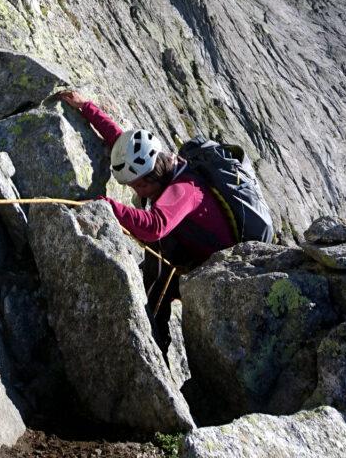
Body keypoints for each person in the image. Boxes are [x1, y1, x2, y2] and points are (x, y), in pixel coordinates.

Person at [56, 89, 237, 351]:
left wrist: (107, 206)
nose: (135, 192)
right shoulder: (158, 164)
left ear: (153, 176)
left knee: (157, 256)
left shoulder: (184, 189)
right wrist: (86, 107)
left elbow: (154, 227)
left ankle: (153, 338)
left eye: (138, 186)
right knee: (156, 259)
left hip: (214, 266)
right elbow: (122, 143)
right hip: (192, 247)